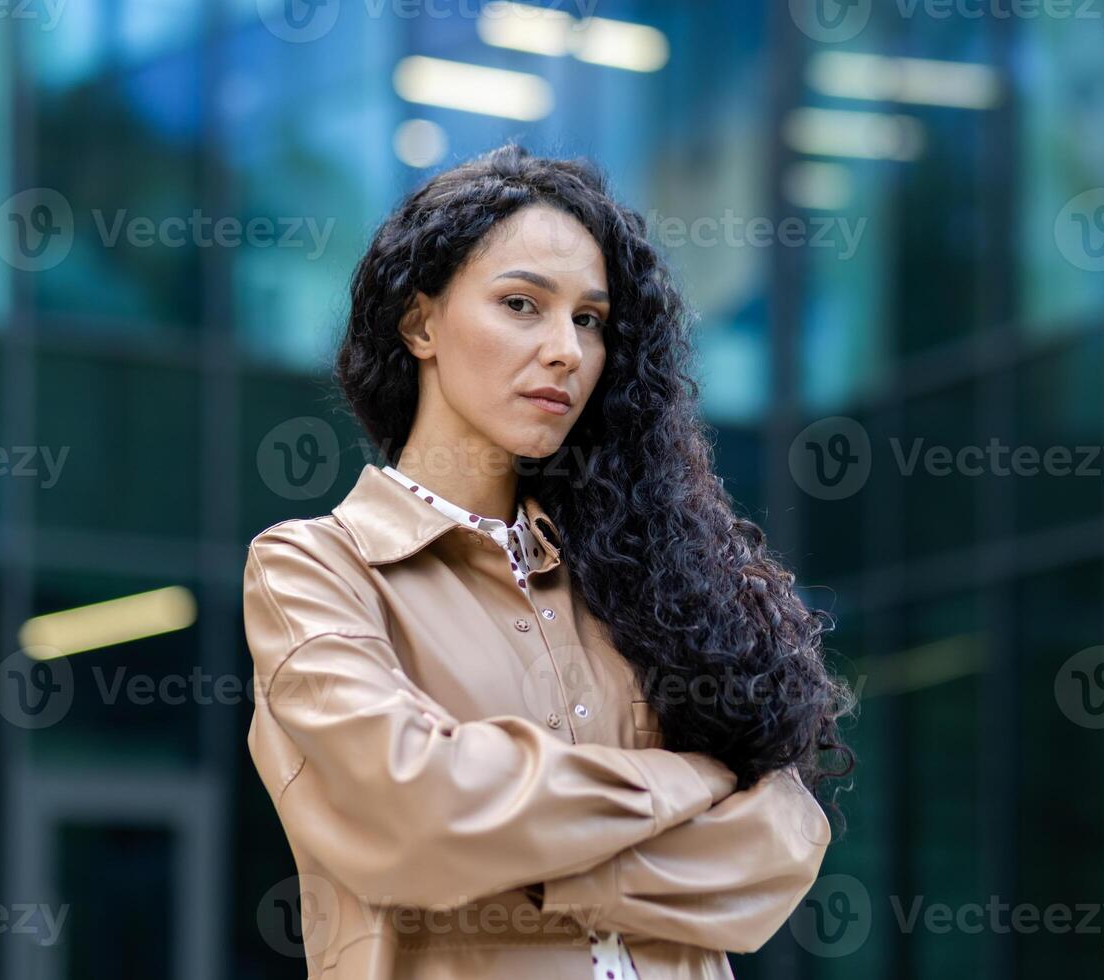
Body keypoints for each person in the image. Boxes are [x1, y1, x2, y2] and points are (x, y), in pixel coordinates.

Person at [242, 142, 856, 979]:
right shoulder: (316, 571)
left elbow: (782, 843)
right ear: (421, 323)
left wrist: (531, 859)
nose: (567, 349)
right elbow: (423, 810)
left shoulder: (636, 572)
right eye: (522, 304)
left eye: (590, 319)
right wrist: (686, 785)